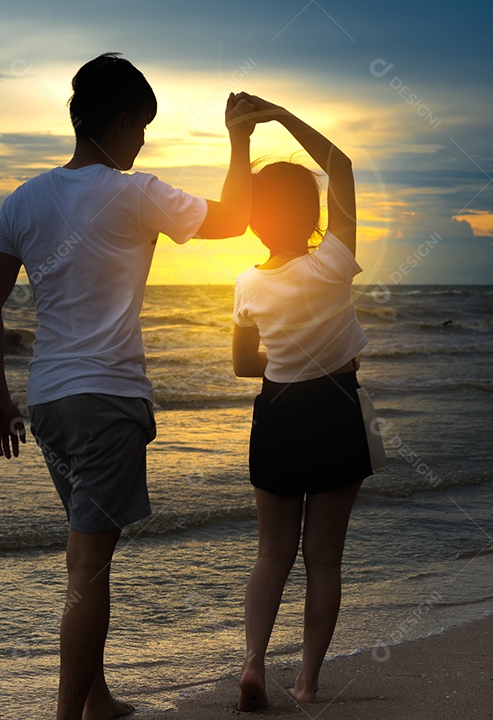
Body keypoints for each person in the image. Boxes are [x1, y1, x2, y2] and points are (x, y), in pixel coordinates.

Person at [0, 52, 256, 720]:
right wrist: (240, 139)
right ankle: (69, 714)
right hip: (108, 401)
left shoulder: (24, 199)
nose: (145, 142)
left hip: (50, 406)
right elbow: (237, 218)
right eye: (143, 127)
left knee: (86, 552)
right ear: (122, 120)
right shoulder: (137, 193)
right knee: (87, 568)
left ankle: (95, 697)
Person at [229, 93, 371, 711]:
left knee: (271, 553)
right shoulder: (335, 261)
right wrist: (281, 117)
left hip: (278, 411)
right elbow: (340, 163)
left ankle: (254, 661)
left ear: (256, 219)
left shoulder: (246, 282)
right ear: (314, 212)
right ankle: (309, 681)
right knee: (324, 559)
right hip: (335, 405)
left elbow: (241, 365)